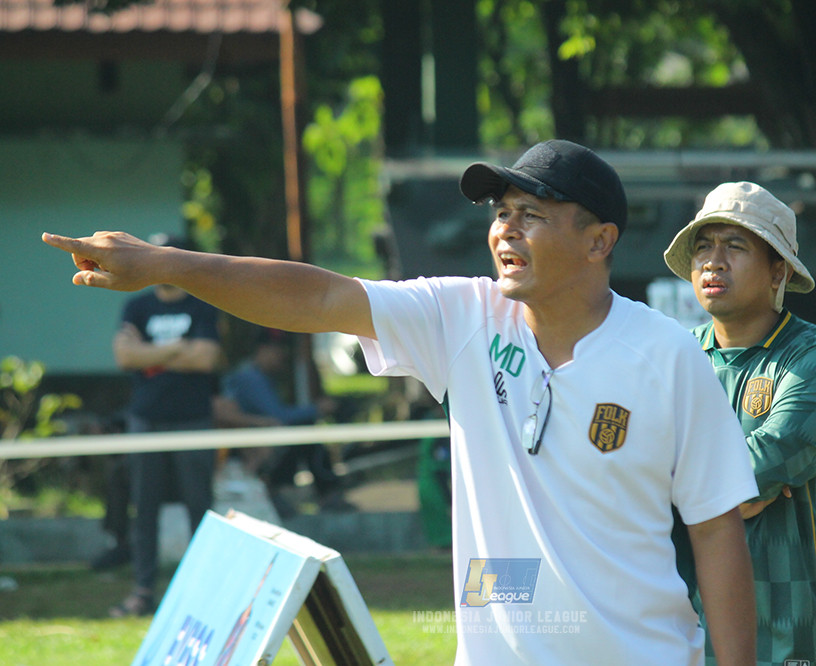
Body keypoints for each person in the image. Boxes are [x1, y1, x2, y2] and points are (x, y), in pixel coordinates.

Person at [44, 140, 759, 665]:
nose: (505, 229)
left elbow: (717, 532)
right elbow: (320, 295)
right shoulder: (462, 317)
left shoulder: (668, 356)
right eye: (500, 213)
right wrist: (166, 266)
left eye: (531, 214)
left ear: (600, 239)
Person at [664, 181, 816, 666]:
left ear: (779, 271)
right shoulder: (673, 357)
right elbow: (630, 481)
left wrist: (683, 481)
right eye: (703, 245)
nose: (713, 260)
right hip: (685, 632)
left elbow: (744, 483)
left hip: (794, 635)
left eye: (736, 245)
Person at [108, 233, 223, 617]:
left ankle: (205, 590)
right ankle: (143, 590)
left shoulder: (203, 305)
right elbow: (124, 356)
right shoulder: (137, 305)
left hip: (193, 420)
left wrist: (150, 354)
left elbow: (206, 359)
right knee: (144, 508)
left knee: (200, 508)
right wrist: (178, 348)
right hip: (146, 420)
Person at [222, 326, 349, 515]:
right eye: (278, 349)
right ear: (262, 349)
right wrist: (318, 409)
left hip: (256, 442)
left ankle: (315, 493)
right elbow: (278, 416)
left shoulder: (258, 375)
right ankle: (324, 493)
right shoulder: (250, 377)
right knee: (304, 432)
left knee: (301, 434)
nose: (282, 355)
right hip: (244, 450)